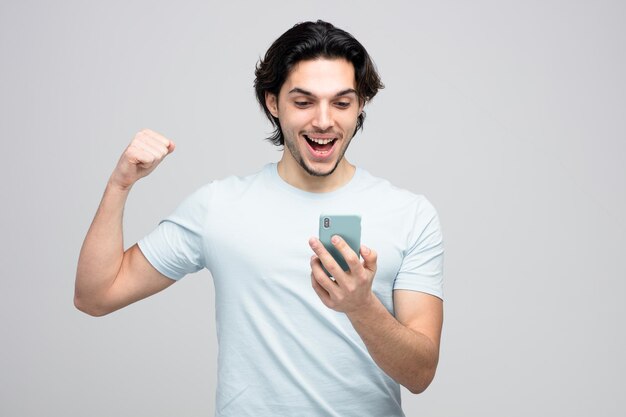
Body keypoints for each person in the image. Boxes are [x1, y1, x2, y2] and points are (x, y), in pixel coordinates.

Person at [75, 20, 444, 417]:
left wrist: (360, 306)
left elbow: (420, 373)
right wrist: (120, 184)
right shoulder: (219, 206)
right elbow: (96, 296)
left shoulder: (410, 214)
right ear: (272, 103)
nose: (323, 121)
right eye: (303, 102)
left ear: (360, 106)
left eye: (341, 102)